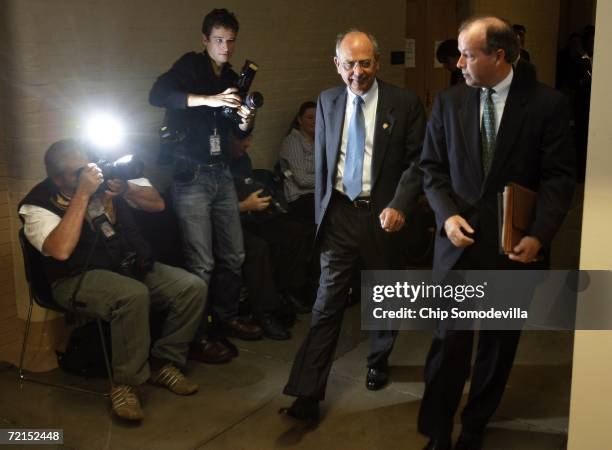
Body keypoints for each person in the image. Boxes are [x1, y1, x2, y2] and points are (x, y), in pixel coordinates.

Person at [418, 17, 574, 450]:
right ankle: (436, 431)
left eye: (468, 54)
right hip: (457, 247)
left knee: (496, 349)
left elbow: (559, 179)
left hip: (512, 251)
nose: (460, 63)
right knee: (447, 346)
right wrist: (446, 216)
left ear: (498, 56)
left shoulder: (547, 105)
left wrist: (540, 233)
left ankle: (474, 425)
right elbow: (430, 170)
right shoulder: (449, 103)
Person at [280, 29, 426, 421]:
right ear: (337, 64)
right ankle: (308, 395)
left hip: (383, 216)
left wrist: (400, 204)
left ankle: (379, 358)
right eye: (349, 63)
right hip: (340, 215)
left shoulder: (404, 103)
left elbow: (418, 162)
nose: (357, 72)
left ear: (376, 63)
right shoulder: (328, 101)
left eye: (365, 63)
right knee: (326, 303)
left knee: (384, 293)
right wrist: (321, 215)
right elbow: (327, 164)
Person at [18, 139, 207, 422]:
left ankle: (165, 362)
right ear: (56, 178)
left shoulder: (104, 181)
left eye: (88, 167)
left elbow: (157, 204)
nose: (87, 175)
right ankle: (126, 385)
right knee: (132, 295)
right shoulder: (37, 205)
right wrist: (83, 195)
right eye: (76, 173)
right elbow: (60, 251)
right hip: (73, 279)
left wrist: (125, 188)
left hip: (123, 264)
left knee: (191, 287)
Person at [149, 8, 263, 354]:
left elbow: (237, 130)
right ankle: (196, 334)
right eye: (218, 40)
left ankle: (227, 317)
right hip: (191, 175)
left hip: (221, 171)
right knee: (202, 263)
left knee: (234, 254)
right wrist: (208, 99)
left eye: (230, 41)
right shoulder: (190, 67)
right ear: (205, 40)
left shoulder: (232, 76)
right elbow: (157, 95)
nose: (225, 47)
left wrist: (246, 118)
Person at [228, 133, 314, 339]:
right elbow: (211, 211)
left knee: (294, 231)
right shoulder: (214, 166)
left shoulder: (242, 160)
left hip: (247, 217)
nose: (248, 144)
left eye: (249, 138)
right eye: (242, 140)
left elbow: (247, 188)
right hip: (226, 224)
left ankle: (288, 290)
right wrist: (244, 206)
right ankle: (264, 312)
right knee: (258, 248)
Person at [279, 101, 317, 224]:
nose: (315, 121)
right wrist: (329, 180)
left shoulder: (318, 141)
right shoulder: (293, 141)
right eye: (310, 117)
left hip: (315, 192)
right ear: (300, 120)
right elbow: (302, 180)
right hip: (300, 197)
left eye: (317, 117)